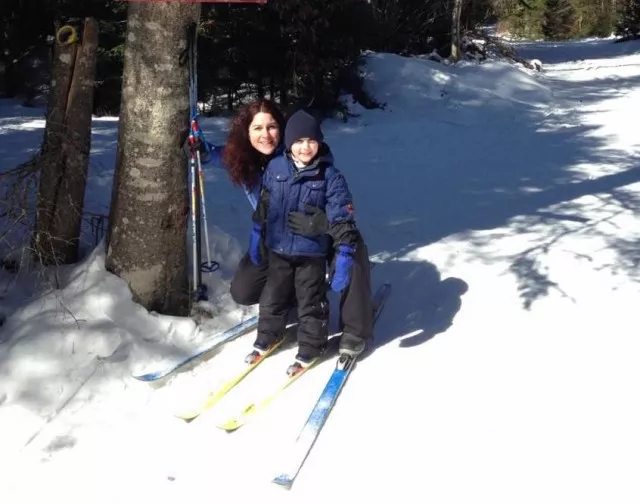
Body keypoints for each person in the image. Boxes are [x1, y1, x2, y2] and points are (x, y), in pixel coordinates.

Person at [206, 100, 374, 355]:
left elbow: (338, 205)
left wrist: (325, 225)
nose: (265, 135)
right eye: (257, 128)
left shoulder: (304, 154)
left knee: (352, 251)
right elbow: (219, 155)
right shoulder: (243, 158)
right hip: (279, 239)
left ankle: (355, 328)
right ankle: (294, 293)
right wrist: (199, 148)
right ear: (246, 132)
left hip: (320, 234)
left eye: (272, 127)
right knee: (243, 290)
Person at [246, 110, 364, 371]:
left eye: (311, 141)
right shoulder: (276, 168)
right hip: (279, 249)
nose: (305, 147)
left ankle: (311, 345)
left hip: (311, 254)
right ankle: (268, 335)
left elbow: (343, 216)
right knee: (272, 297)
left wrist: (343, 255)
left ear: (319, 142)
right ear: (289, 143)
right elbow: (265, 202)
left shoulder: (330, 177)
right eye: (298, 141)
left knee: (310, 299)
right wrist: (257, 232)